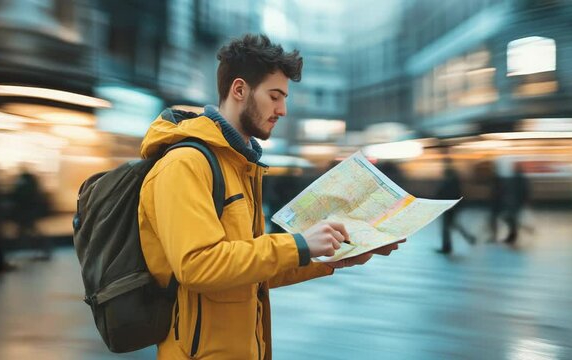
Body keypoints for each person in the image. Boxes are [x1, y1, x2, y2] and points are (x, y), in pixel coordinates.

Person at [138, 34, 401, 360]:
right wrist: (299, 244)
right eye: (275, 96)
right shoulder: (185, 164)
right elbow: (198, 266)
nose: (283, 109)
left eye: (285, 98)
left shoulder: (240, 165)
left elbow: (250, 269)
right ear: (239, 90)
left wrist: (334, 257)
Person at [435, 157, 476, 254]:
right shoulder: (454, 181)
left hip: (449, 207)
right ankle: (468, 238)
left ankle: (446, 247)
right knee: (453, 224)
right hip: (451, 206)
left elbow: (446, 193)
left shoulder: (450, 181)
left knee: (447, 227)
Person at [501, 163, 530, 244]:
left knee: (510, 218)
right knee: (511, 219)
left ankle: (512, 236)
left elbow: (520, 190)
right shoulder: (521, 178)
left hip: (515, 202)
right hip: (515, 202)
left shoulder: (517, 178)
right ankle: (512, 235)